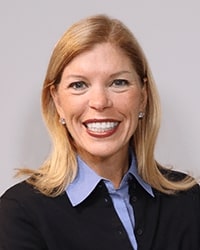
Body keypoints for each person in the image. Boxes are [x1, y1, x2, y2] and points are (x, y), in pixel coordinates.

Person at [0, 14, 199, 250]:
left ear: (143, 97)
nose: (100, 102)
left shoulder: (189, 200)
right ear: (57, 102)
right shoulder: (20, 214)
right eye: (79, 85)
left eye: (118, 83)